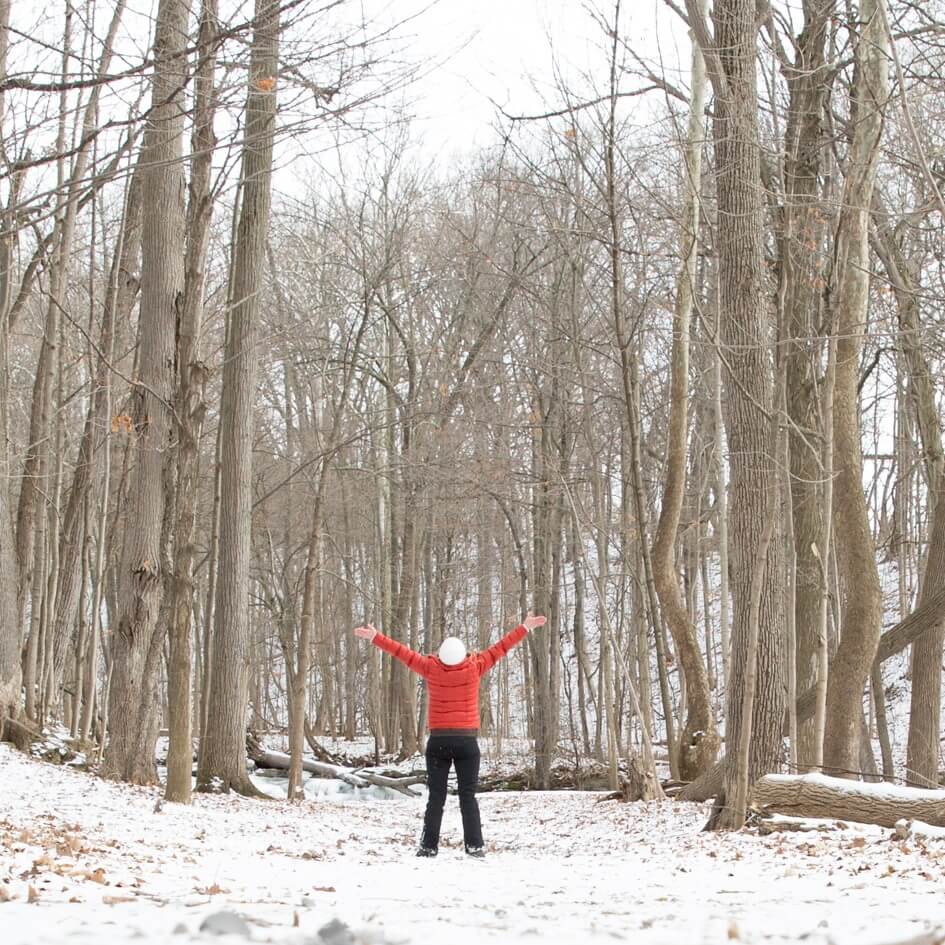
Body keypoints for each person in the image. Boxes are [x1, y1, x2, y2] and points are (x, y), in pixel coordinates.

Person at [353, 612, 546, 858]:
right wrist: (525, 627)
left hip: (439, 742)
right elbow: (501, 648)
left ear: (441, 655)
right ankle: (474, 846)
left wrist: (376, 637)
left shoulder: (431, 668)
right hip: (466, 742)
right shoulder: (475, 667)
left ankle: (428, 846)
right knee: (468, 796)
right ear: (464, 654)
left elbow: (402, 653)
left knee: (436, 796)